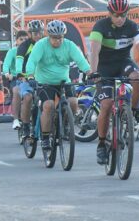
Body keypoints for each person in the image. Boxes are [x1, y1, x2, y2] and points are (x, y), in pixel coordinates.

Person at [88, 0, 139, 165]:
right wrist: (93, 71)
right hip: (104, 67)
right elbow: (94, 51)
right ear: (109, 13)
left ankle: (130, 112)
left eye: (123, 14)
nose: (120, 18)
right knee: (107, 104)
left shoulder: (133, 27)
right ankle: (101, 143)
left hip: (123, 63)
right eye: (116, 15)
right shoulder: (100, 26)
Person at [26, 20, 91, 152]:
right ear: (49, 36)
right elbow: (32, 61)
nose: (58, 41)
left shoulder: (69, 45)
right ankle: (45, 138)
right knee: (48, 106)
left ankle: (66, 125)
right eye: (55, 38)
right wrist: (30, 76)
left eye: (60, 38)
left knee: (73, 102)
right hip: (45, 82)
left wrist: (89, 72)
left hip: (63, 81)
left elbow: (81, 61)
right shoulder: (41, 45)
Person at [15, 19, 46, 138]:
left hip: (42, 77)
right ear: (30, 34)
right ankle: (26, 126)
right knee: (28, 98)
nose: (38, 35)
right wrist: (19, 73)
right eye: (35, 33)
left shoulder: (47, 43)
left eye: (40, 32)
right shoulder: (24, 45)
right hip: (26, 77)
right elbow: (19, 60)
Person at [3, 30, 29, 130]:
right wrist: (7, 74)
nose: (23, 41)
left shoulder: (32, 50)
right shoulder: (12, 51)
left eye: (26, 39)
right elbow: (6, 65)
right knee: (16, 91)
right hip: (16, 78)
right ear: (16, 41)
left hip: (30, 78)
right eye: (21, 39)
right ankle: (16, 119)